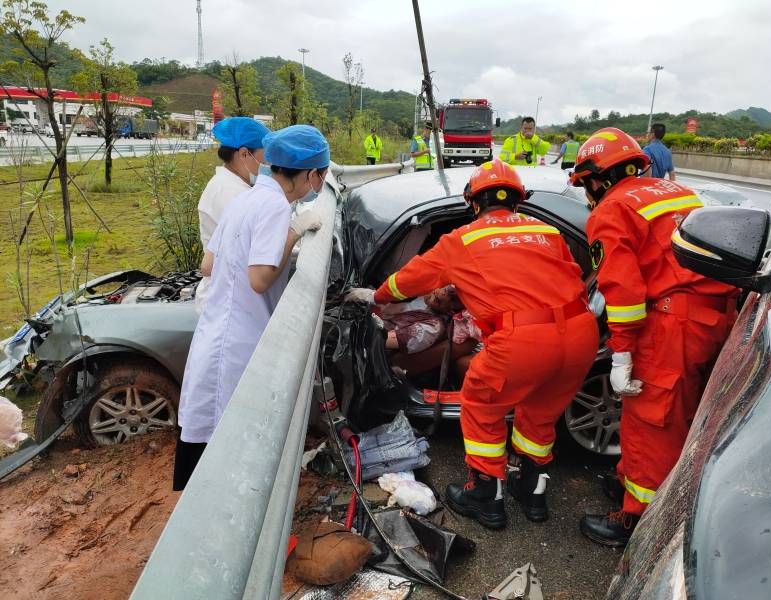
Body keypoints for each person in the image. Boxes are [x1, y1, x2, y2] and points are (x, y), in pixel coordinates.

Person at [345, 159, 598, 529]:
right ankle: (532, 491)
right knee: (541, 412)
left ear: (473, 203)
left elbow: (407, 281)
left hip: (523, 339)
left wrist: (376, 296)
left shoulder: (461, 239)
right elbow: (561, 277)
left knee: (481, 406)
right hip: (579, 333)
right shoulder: (548, 232)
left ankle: (485, 498)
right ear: (517, 200)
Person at [568, 127, 738, 546]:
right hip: (715, 317)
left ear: (598, 177)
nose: (588, 192)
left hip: (670, 326)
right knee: (678, 414)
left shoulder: (611, 211)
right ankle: (632, 480)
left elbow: (623, 293)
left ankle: (638, 523)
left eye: (587, 183)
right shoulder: (678, 192)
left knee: (652, 419)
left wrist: (621, 355)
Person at [173, 125, 330, 491]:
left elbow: (208, 265)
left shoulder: (244, 199)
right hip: (239, 345)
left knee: (204, 443)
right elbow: (260, 279)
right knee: (227, 455)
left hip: (215, 335)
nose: (318, 183)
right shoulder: (276, 207)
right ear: (310, 174)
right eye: (320, 175)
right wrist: (293, 233)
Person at [195, 117, 271, 314]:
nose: (267, 163)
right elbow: (257, 245)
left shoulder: (239, 186)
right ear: (244, 154)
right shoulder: (228, 192)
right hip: (225, 299)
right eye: (264, 157)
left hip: (234, 291)